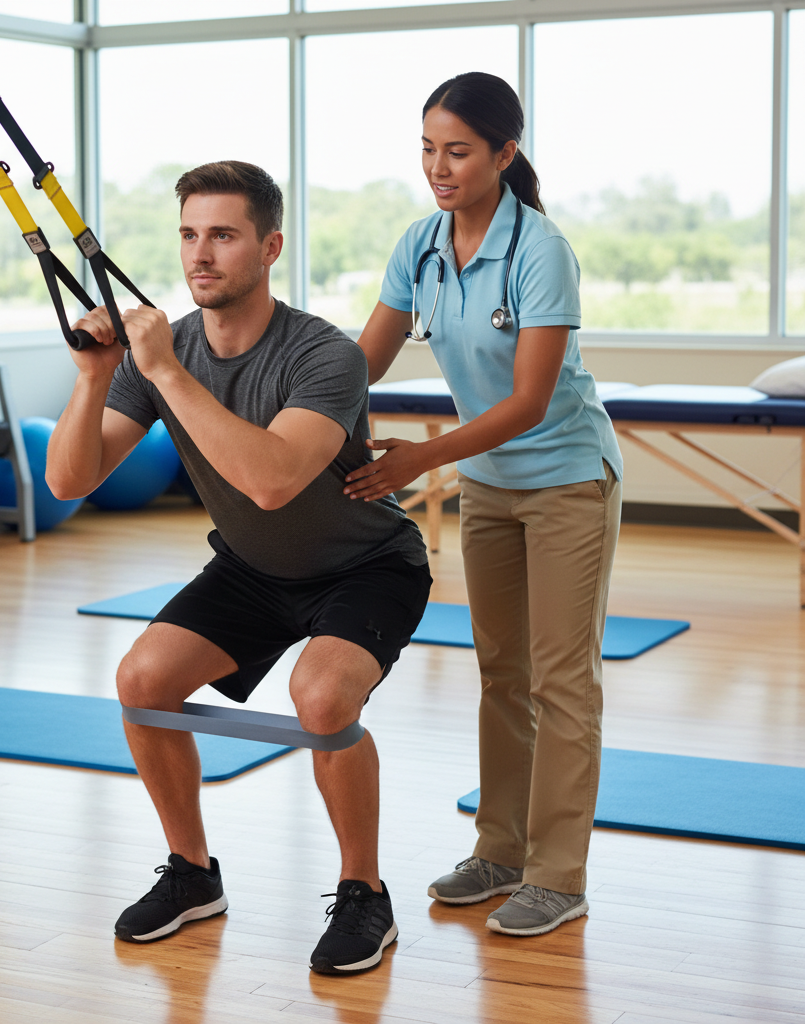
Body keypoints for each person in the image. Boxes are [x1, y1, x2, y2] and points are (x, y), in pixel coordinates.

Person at [46, 160, 431, 974]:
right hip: (255, 569)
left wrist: (166, 374)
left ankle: (365, 893)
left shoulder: (323, 355)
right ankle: (192, 874)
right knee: (143, 683)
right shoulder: (167, 353)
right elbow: (68, 482)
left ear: (270, 246)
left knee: (322, 698)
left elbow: (271, 479)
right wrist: (91, 378)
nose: (200, 255)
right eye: (189, 234)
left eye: (223, 235)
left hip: (365, 565)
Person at [345, 73, 623, 938]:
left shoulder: (540, 249)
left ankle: (557, 874)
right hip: (492, 487)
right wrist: (295, 407)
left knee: (561, 679)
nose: (438, 166)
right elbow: (363, 362)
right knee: (501, 674)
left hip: (568, 479)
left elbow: (530, 403)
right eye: (428, 149)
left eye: (458, 151)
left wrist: (423, 460)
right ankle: (499, 851)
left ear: (505, 153)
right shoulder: (420, 244)